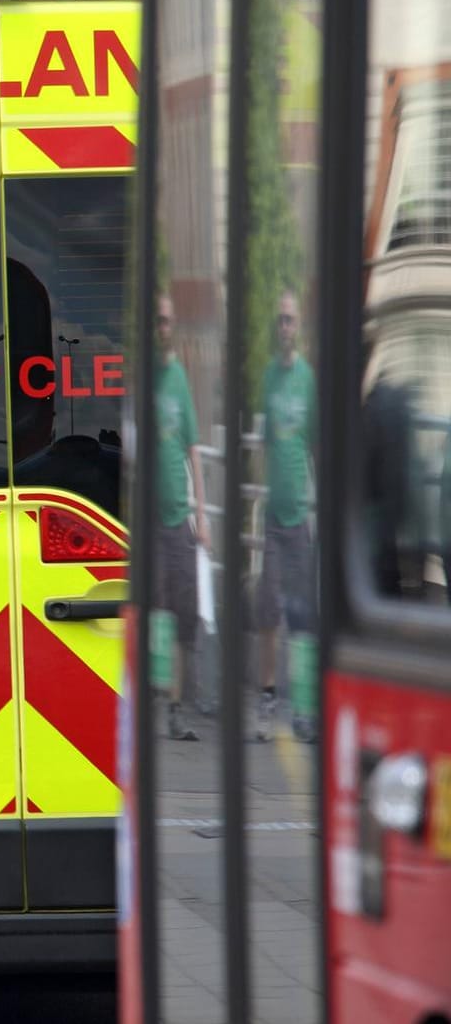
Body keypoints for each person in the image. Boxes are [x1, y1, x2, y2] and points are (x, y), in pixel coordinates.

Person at [255, 292, 315, 741]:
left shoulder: (307, 380)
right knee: (269, 611)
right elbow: (265, 444)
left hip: (301, 518)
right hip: (274, 517)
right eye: (280, 320)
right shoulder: (269, 378)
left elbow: (312, 444)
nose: (285, 327)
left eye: (291, 320)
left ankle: (302, 709)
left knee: (301, 617)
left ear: (299, 328)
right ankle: (268, 698)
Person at [153, 295, 208, 741]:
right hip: (146, 523)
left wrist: (202, 516)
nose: (163, 327)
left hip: (177, 518)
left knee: (181, 611)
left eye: (168, 320)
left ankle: (175, 706)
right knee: (151, 610)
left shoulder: (177, 380)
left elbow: (193, 449)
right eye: (157, 321)